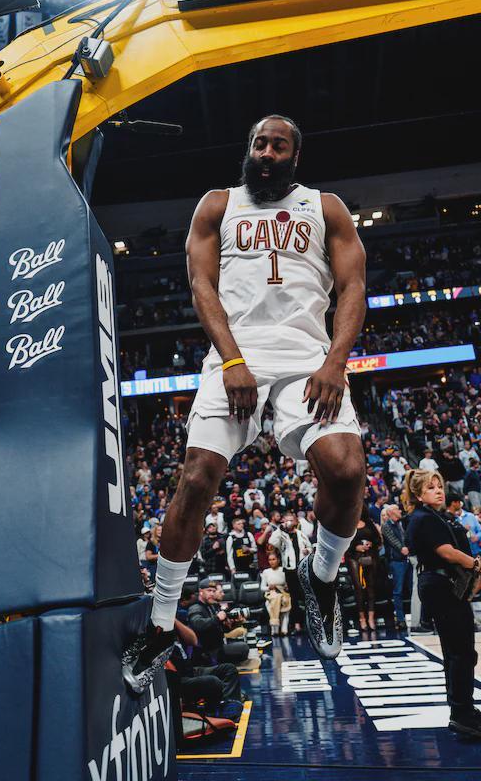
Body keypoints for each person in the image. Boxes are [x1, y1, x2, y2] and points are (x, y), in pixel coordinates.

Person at [123, 114, 366, 693]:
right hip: (235, 354)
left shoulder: (326, 208)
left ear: (294, 156)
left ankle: (321, 577)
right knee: (196, 477)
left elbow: (353, 287)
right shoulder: (217, 205)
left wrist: (335, 362)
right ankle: (160, 624)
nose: (267, 152)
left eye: (279, 145)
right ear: (249, 150)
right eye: (259, 143)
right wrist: (232, 361)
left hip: (307, 358)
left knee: (346, 469)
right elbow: (201, 285)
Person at [405, 469, 481, 738]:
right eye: (431, 487)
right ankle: (462, 713)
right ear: (418, 494)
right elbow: (446, 553)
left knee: (457, 651)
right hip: (441, 585)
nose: (438, 491)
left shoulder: (435, 516)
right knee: (461, 651)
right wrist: (475, 564)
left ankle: (463, 709)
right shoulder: (423, 518)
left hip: (443, 585)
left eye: (439, 486)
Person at [269, 512, 312, 632]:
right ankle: (296, 624)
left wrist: (307, 550)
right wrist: (280, 528)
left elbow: (310, 547)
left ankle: (309, 623)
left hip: (302, 569)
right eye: (286, 520)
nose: (288, 522)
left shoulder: (301, 534)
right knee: (294, 597)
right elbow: (272, 542)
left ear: (295, 522)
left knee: (306, 596)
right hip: (290, 570)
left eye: (291, 520)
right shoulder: (281, 535)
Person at [346, 503, 382, 631]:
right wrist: (356, 547)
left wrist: (371, 544)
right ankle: (362, 618)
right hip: (354, 558)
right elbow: (344, 543)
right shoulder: (348, 525)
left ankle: (371, 617)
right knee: (358, 588)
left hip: (370, 556)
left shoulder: (369, 523)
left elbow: (378, 540)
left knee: (371, 587)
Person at [382, 503, 412, 631]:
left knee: (412, 589)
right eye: (397, 510)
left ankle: (418, 617)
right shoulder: (386, 526)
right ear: (391, 513)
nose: (400, 511)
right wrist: (402, 548)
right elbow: (393, 541)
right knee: (398, 591)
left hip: (407, 560)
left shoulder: (401, 523)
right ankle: (400, 619)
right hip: (396, 561)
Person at [260, 551, 291, 636]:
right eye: (270, 560)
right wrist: (268, 588)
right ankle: (275, 629)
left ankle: (284, 629)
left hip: (283, 592)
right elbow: (262, 588)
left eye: (273, 559)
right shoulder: (266, 572)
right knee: (274, 599)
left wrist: (286, 587)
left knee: (285, 600)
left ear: (278, 560)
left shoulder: (283, 570)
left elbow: (287, 584)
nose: (271, 562)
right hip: (271, 593)